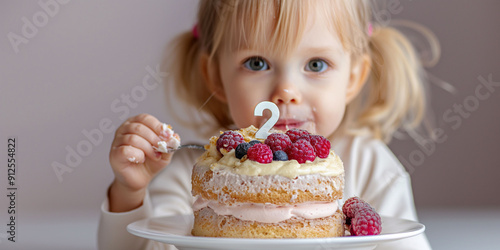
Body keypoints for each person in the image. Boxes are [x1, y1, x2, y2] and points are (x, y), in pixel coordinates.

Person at [98, 0, 435, 249]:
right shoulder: (199, 172)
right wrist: (129, 193)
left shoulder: (370, 164)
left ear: (353, 77)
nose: (286, 92)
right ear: (215, 75)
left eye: (316, 64)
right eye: (256, 63)